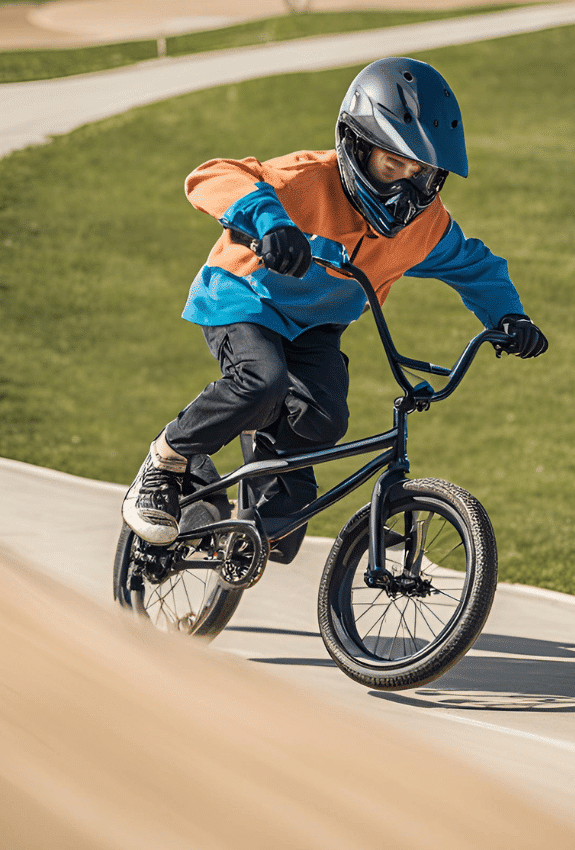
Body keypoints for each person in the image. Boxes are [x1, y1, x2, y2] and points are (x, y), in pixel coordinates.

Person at [122, 57, 548, 561]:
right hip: (244, 297)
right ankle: (168, 459)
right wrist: (270, 224)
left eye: (423, 174)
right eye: (394, 165)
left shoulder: (424, 226)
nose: (405, 190)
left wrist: (510, 317)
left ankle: (257, 500)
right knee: (261, 381)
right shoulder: (306, 180)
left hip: (316, 327)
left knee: (325, 418)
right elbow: (210, 176)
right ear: (356, 145)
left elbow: (475, 266)